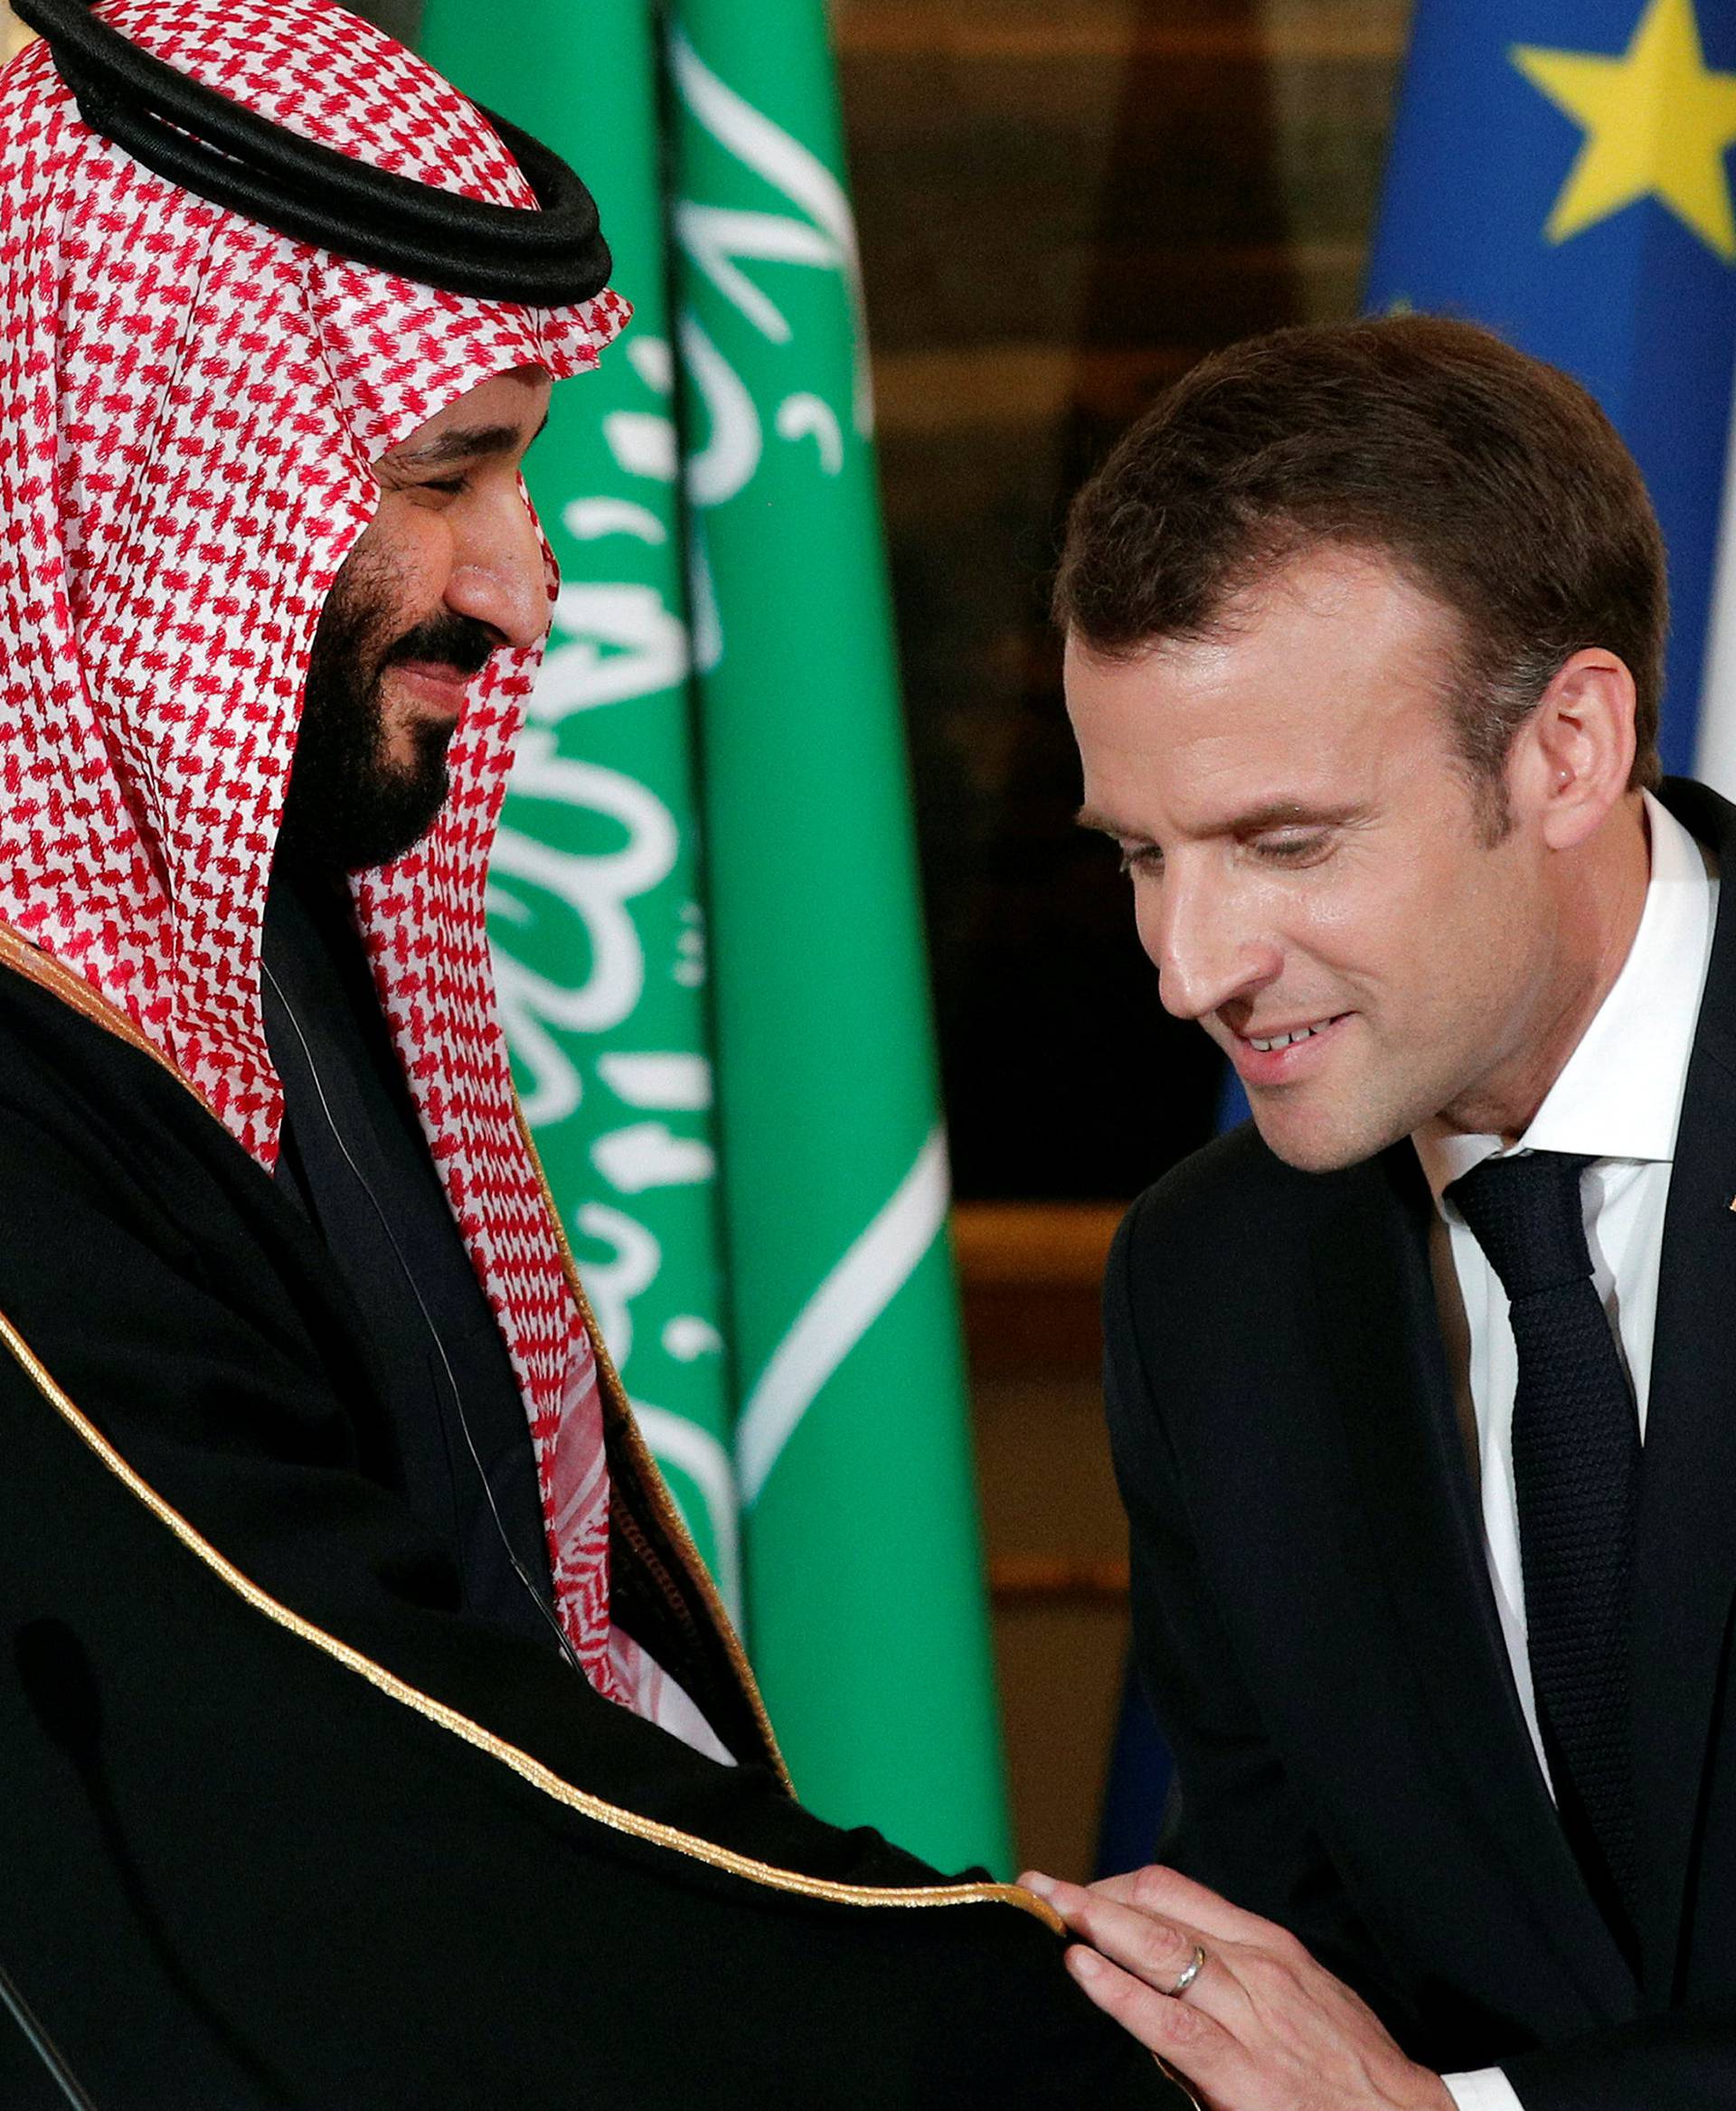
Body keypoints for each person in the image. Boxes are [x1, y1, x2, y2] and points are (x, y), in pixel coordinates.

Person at [0, 3, 1189, 2104]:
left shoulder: (291, 936)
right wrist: (1039, 2014)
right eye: (446, 471)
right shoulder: (34, 1071)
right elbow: (332, 1779)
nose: (527, 587)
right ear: (168, 457)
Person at [1024, 311, 1736, 2108]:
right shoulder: (1209, 1287)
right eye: (1138, 854)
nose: (1188, 968)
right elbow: (1283, 1975)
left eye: (1284, 842)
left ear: (1566, 751)